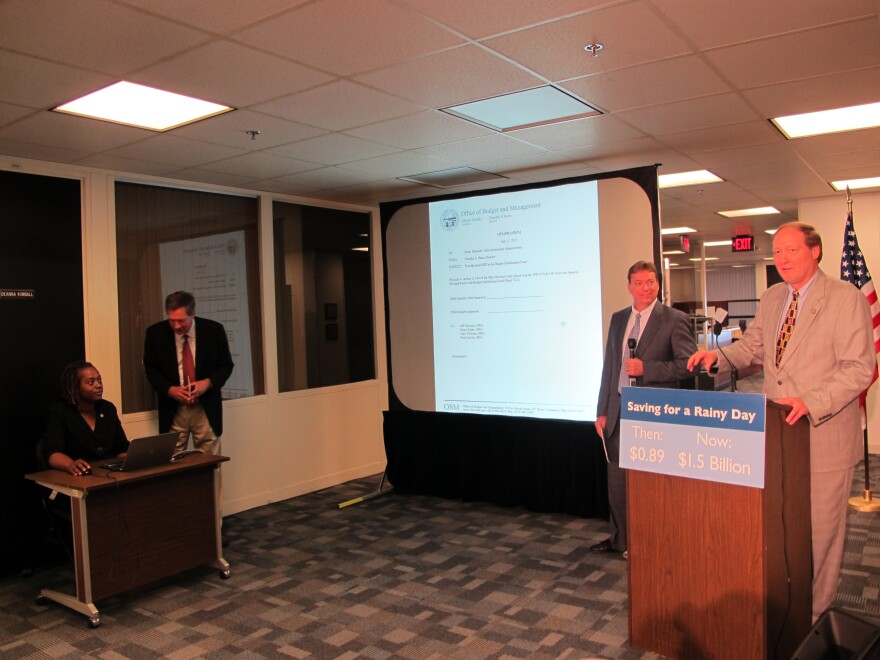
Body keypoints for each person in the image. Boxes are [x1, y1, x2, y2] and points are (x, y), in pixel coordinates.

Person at [688, 222, 875, 622]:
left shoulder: (845, 298)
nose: (783, 259)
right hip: (777, 436)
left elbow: (860, 369)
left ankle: (813, 622)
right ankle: (785, 613)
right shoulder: (773, 296)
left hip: (823, 437)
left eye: (791, 250)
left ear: (816, 251)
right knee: (782, 532)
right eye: (777, 252)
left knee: (820, 537)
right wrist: (718, 358)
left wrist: (810, 401)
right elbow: (754, 347)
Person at [593, 261, 696, 557]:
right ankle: (621, 541)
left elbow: (686, 366)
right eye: (638, 283)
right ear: (629, 287)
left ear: (658, 284)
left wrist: (646, 369)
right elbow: (610, 368)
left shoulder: (674, 319)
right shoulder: (618, 319)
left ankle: (651, 541)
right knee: (618, 483)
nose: (645, 288)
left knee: (651, 484)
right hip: (618, 410)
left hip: (654, 415)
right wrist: (602, 410)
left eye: (650, 282)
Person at [143, 291, 234, 454]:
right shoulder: (155, 333)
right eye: (172, 320)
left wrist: (207, 383)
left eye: (181, 321)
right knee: (171, 459)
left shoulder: (213, 331)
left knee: (210, 460)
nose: (176, 326)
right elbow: (151, 369)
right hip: (173, 407)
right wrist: (170, 389)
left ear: (193, 314)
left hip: (204, 406)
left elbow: (225, 366)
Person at [41, 361, 129, 475]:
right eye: (91, 382)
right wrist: (70, 464)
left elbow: (121, 447)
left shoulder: (107, 409)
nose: (98, 385)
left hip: (110, 474)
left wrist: (128, 462)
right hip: (81, 476)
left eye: (99, 380)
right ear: (74, 387)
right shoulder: (60, 412)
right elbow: (53, 454)